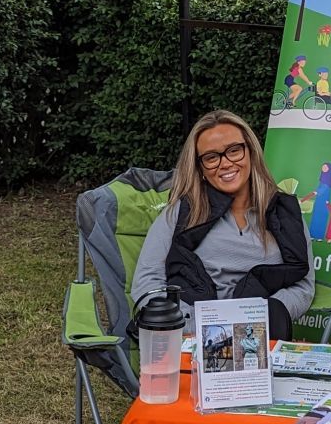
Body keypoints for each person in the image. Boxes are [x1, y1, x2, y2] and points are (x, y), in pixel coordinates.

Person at [131, 110, 315, 341]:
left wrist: (261, 317)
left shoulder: (284, 213)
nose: (225, 163)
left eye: (234, 150)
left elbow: (303, 286)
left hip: (260, 336)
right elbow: (147, 283)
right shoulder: (182, 213)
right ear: (201, 169)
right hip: (192, 337)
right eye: (211, 157)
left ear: (250, 152)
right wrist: (191, 326)